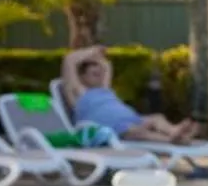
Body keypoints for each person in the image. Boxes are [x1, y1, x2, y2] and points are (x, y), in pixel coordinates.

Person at [62, 46, 198, 145]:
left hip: (129, 119)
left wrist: (98, 57)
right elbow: (69, 60)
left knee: (157, 118)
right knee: (137, 131)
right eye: (94, 74)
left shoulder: (104, 89)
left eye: (100, 74)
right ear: (82, 76)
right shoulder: (78, 92)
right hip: (106, 128)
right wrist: (91, 51)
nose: (100, 77)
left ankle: (174, 131)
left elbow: (107, 66)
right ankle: (171, 140)